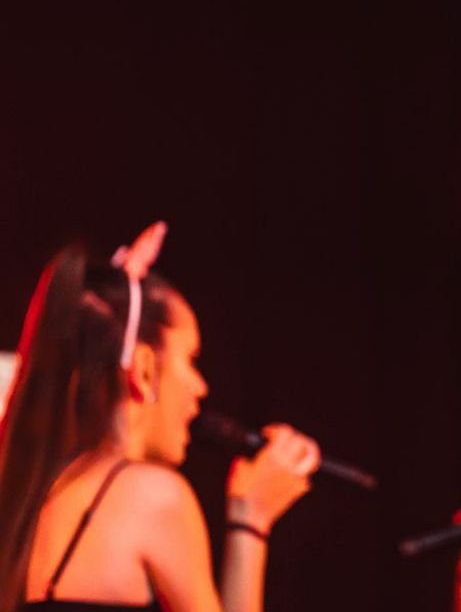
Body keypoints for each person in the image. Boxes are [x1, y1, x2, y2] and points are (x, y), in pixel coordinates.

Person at [0, 222, 321, 612]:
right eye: (190, 359)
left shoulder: (27, 504)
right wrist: (250, 519)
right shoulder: (152, 499)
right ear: (144, 369)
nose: (201, 387)